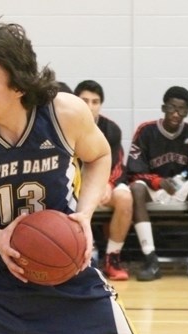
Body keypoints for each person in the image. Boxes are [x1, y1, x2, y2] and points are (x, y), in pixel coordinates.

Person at [0, 19, 137, 334]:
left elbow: (100, 155)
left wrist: (84, 215)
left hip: (68, 275)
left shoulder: (64, 113)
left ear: (18, 85)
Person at [126, 86, 188, 281]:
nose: (176, 113)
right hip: (155, 187)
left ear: (187, 112)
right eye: (172, 108)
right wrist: (156, 181)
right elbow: (133, 170)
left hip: (180, 187)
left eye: (181, 109)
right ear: (163, 108)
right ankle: (151, 260)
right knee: (136, 188)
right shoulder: (146, 130)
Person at [74, 80, 132, 281]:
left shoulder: (111, 129)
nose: (90, 106)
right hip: (74, 186)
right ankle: (73, 257)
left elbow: (117, 163)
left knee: (125, 198)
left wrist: (109, 184)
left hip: (103, 184)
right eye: (85, 101)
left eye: (95, 101)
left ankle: (112, 257)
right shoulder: (65, 124)